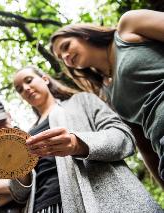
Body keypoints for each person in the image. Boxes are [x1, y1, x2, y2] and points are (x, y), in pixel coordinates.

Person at [10, 66, 162, 213]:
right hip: (40, 206)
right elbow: (19, 195)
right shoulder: (27, 134)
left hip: (99, 201)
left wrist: (78, 144)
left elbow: (124, 137)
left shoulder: (83, 101)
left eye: (28, 80)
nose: (26, 88)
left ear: (45, 79)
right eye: (20, 89)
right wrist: (18, 167)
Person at [49, 9, 164, 181]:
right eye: (61, 58)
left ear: (83, 35)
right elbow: (143, 146)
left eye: (66, 46)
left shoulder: (129, 26)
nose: (66, 57)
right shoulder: (106, 95)